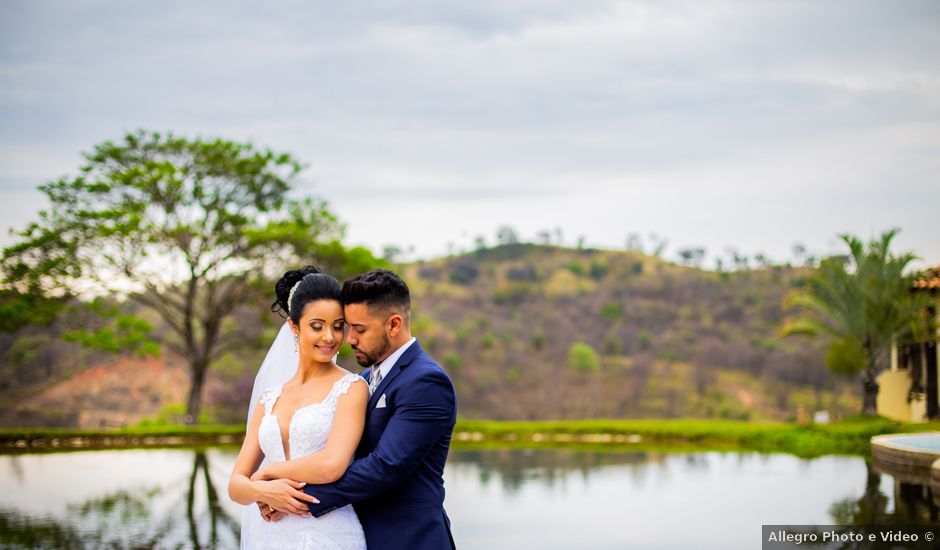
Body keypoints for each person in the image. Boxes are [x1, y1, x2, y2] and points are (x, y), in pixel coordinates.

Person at [251, 268, 458, 550]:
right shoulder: (358, 382)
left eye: (359, 329)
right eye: (348, 328)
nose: (348, 339)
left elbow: (385, 466)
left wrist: (293, 498)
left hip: (409, 538)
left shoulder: (426, 381)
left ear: (394, 325)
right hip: (356, 534)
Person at [229, 266, 369, 550]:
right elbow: (236, 485)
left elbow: (332, 465)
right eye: (317, 326)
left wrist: (270, 474)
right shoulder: (270, 398)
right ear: (294, 326)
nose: (329, 337)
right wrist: (263, 491)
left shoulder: (351, 387)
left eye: (338, 326)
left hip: (329, 533)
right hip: (271, 536)